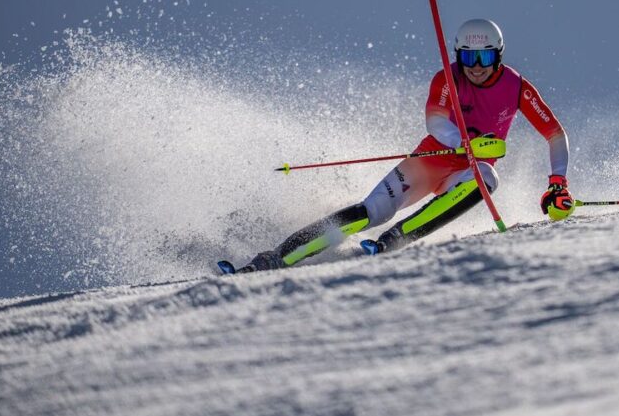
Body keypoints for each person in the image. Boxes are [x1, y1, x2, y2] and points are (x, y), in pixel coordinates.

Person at [230, 18, 573, 273]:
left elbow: (555, 133)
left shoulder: (516, 86)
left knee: (486, 178)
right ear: (458, 56)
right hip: (431, 158)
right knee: (372, 210)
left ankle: (393, 240)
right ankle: (278, 256)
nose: (477, 69)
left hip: (468, 171)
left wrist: (558, 182)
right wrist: (462, 141)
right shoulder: (447, 77)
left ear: (498, 56)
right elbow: (435, 120)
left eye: (485, 59)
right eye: (469, 59)